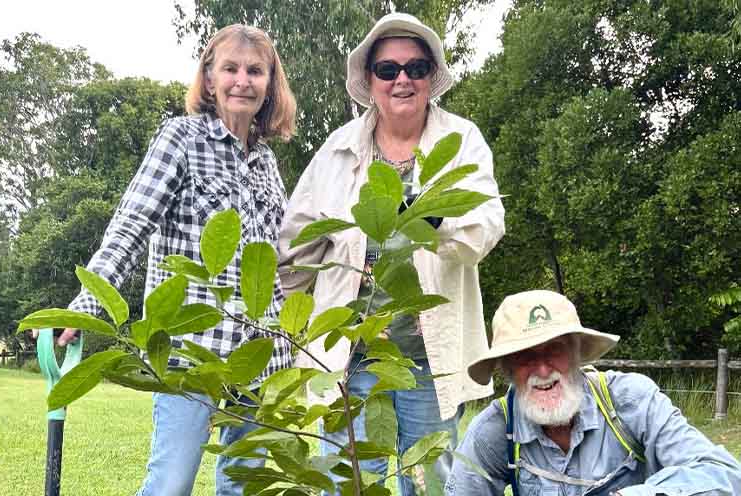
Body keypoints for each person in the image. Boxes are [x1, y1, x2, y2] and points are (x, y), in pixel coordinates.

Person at [61, 24, 297, 496]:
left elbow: (282, 261)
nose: (242, 81)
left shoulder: (267, 163)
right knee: (170, 485)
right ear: (209, 79)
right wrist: (86, 305)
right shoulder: (181, 138)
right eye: (230, 69)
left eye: (255, 71)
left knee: (245, 488)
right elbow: (132, 225)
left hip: (259, 359)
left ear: (270, 85)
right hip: (192, 351)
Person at [278, 12, 505, 496]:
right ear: (370, 79)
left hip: (429, 357)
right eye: (388, 70)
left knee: (432, 481)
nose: (402, 79)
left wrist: (433, 219)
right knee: (352, 481)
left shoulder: (462, 142)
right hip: (351, 355)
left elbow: (487, 226)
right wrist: (293, 324)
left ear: (430, 77)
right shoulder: (336, 151)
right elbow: (296, 245)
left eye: (416, 68)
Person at [447, 289, 741, 496]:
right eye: (525, 357)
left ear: (577, 353)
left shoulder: (631, 400)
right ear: (508, 369)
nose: (543, 369)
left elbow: (724, 473)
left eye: (555, 350)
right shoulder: (495, 430)